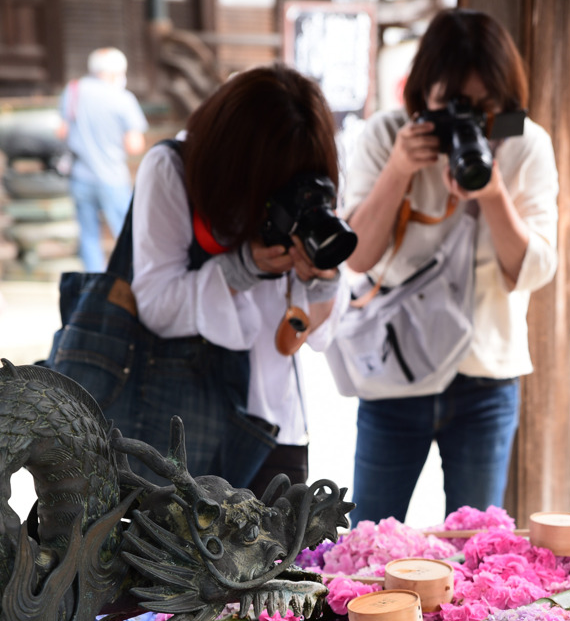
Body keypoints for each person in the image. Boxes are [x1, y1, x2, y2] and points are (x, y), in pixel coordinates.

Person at [49, 64, 348, 494]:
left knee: (279, 558)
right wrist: (242, 268)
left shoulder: (309, 170)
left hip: (278, 425)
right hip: (183, 430)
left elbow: (317, 334)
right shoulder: (175, 168)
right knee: (174, 557)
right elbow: (156, 302)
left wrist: (323, 277)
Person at [339, 8, 559, 525]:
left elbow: (533, 271)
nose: (467, 120)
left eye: (483, 107)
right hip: (396, 374)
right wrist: (399, 170)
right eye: (450, 104)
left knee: (477, 546)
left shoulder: (524, 143)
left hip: (486, 376)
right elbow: (357, 256)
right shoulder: (385, 135)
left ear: (505, 101)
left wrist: (494, 192)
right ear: (420, 95)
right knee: (367, 537)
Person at [57, 47, 148, 272]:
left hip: (80, 175)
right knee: (126, 235)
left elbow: (61, 131)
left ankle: (94, 287)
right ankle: (130, 281)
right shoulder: (123, 98)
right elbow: (134, 144)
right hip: (113, 176)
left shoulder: (74, 91)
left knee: (88, 236)